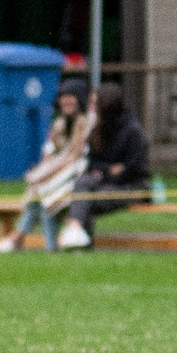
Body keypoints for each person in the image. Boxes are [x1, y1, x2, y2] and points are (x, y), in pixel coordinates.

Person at [0, 80, 89, 253]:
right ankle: (46, 247)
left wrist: (45, 175)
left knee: (44, 194)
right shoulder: (59, 123)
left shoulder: (84, 123)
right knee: (44, 196)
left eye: (71, 97)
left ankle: (19, 237)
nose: (66, 101)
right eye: (63, 97)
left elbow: (75, 157)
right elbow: (50, 151)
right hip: (58, 179)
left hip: (78, 178)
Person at [57, 85, 148, 250]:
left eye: (94, 103)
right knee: (83, 186)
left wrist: (106, 173)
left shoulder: (133, 131)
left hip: (132, 187)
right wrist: (109, 170)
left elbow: (136, 169)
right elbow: (92, 162)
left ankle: (78, 241)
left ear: (106, 105)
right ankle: (77, 238)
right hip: (105, 183)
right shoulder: (98, 129)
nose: (90, 108)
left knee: (83, 200)